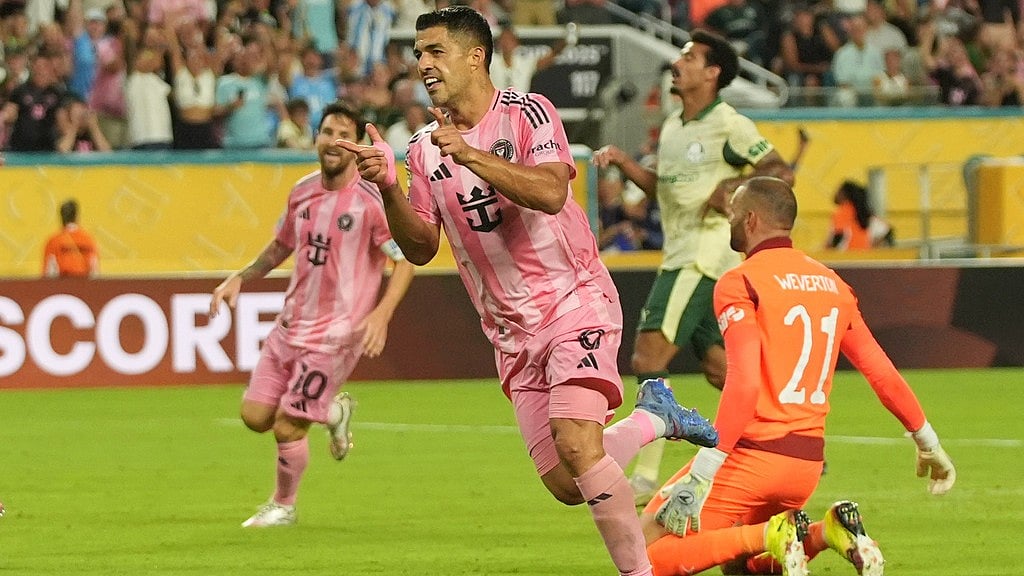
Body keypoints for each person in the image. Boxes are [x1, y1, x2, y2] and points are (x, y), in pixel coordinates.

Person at [337, 8, 718, 576]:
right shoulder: (420, 148)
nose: (423, 64)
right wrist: (390, 187)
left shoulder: (527, 113)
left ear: (475, 56)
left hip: (573, 300)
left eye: (435, 51)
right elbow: (419, 248)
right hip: (511, 333)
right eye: (418, 54)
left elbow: (550, 193)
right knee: (567, 481)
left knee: (577, 443)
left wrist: (470, 154)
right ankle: (654, 420)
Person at [643, 176, 957, 576]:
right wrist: (928, 442)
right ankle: (826, 532)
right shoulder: (833, 284)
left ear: (751, 219)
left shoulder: (740, 281)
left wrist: (704, 469)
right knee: (742, 567)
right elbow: (881, 372)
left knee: (641, 554)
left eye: (733, 213)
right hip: (805, 464)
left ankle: (771, 533)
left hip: (753, 456)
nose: (729, 220)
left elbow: (744, 381)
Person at [591, 29, 794, 505]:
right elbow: (665, 189)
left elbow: (780, 170)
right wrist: (623, 162)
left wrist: (734, 189)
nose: (678, 64)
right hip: (684, 252)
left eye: (689, 57)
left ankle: (645, 476)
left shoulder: (729, 124)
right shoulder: (674, 125)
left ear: (712, 73)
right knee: (722, 369)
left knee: (648, 359)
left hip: (702, 257)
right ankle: (785, 439)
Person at [208, 101, 415, 528]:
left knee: (288, 427)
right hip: (290, 326)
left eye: (344, 134)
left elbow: (405, 260)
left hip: (336, 336)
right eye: (327, 132)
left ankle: (283, 506)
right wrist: (239, 277)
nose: (334, 141)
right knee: (255, 417)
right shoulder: (301, 191)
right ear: (316, 138)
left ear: (357, 145)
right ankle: (334, 412)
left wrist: (381, 314)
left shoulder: (371, 201)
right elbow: (280, 246)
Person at [827, 179, 894, 250]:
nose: (836, 193)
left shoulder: (843, 212)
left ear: (844, 194)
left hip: (846, 254)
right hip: (863, 255)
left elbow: (837, 237)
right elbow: (887, 231)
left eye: (839, 191)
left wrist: (828, 250)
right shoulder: (865, 214)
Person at [43, 199, 100, 278]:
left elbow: (49, 272)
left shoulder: (54, 241)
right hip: (84, 283)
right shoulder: (88, 239)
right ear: (76, 216)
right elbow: (94, 269)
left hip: (63, 284)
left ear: (61, 217)